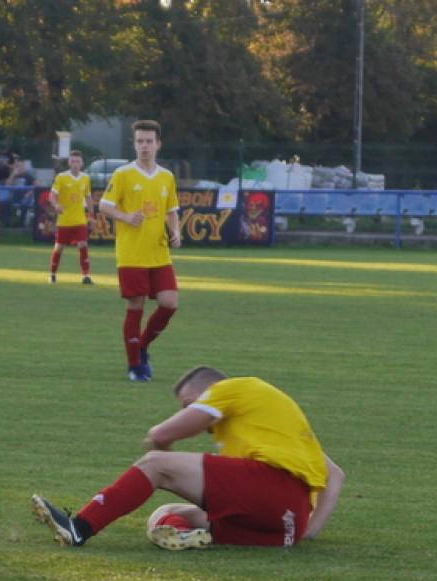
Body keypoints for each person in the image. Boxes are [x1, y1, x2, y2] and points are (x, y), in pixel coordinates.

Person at [32, 365, 345, 552]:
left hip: (271, 489)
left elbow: (162, 436)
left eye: (188, 403)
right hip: (283, 528)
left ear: (209, 390)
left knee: (155, 463)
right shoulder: (273, 429)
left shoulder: (232, 388)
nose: (187, 411)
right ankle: (181, 533)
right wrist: (306, 531)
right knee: (167, 512)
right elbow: (335, 474)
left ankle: (79, 528)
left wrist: (163, 457)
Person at [99, 119, 182, 382]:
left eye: (148, 141)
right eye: (139, 141)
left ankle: (142, 345)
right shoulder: (123, 174)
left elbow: (171, 210)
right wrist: (124, 216)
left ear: (158, 144)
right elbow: (104, 205)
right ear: (134, 144)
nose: (144, 146)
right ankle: (134, 365)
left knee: (170, 304)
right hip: (132, 253)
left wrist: (176, 231)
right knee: (136, 305)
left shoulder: (166, 177)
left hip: (158, 253)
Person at [48, 149, 95, 284]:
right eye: (73, 161)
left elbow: (88, 198)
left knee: (83, 245)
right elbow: (52, 195)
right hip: (64, 220)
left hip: (80, 219)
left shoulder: (85, 178)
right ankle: (52, 274)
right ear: (69, 162)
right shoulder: (61, 177)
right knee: (59, 247)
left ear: (82, 163)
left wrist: (91, 216)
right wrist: (56, 205)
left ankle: (86, 275)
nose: (75, 164)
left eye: (78, 161)